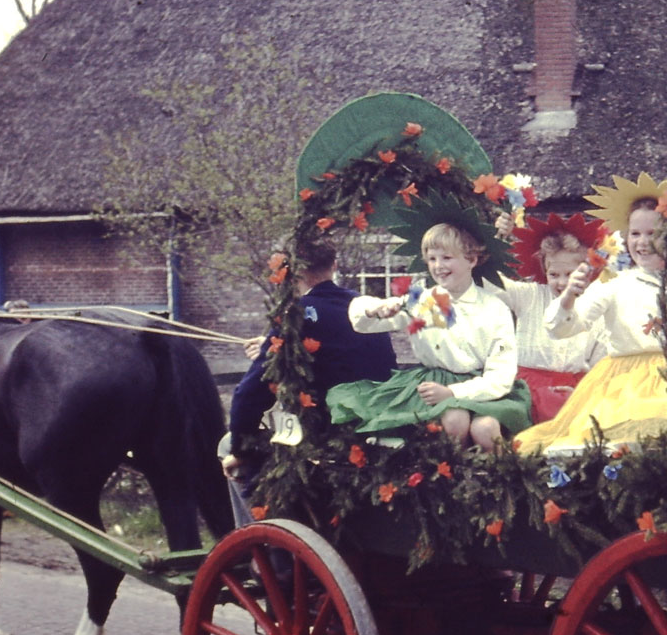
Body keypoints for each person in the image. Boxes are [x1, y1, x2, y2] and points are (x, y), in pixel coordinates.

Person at [514, 173, 667, 453]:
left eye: (653, 234)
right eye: (635, 233)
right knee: (628, 436)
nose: (642, 243)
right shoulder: (614, 282)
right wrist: (568, 298)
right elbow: (563, 328)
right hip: (625, 384)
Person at [220, 232, 397, 524]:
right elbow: (345, 357)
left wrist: (240, 448)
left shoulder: (295, 315)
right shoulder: (364, 306)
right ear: (335, 264)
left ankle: (267, 551)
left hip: (325, 434)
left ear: (290, 271)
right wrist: (271, 349)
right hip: (379, 421)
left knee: (229, 444)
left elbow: (249, 395)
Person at [327, 221, 532, 450]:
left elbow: (500, 375)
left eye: (446, 258)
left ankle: (496, 480)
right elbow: (365, 323)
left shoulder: (494, 308)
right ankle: (452, 477)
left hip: (484, 390)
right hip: (433, 384)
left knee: (485, 428)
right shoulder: (424, 300)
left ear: (472, 260)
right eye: (432, 259)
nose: (438, 266)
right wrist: (374, 309)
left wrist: (452, 392)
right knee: (455, 419)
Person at [492, 212, 609, 423]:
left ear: (586, 271)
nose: (562, 283)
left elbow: (601, 362)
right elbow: (489, 283)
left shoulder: (595, 305)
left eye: (570, 274)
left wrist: (584, 393)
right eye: (554, 274)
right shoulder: (529, 295)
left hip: (574, 390)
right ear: (544, 269)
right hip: (526, 390)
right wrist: (498, 238)